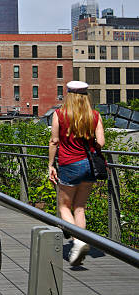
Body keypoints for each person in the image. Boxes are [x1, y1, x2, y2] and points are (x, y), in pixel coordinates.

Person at [48, 80, 105, 266]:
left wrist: (50, 164)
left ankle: (78, 242)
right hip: (89, 165)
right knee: (80, 208)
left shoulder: (60, 114)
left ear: (69, 95)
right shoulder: (94, 115)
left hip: (69, 163)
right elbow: (101, 142)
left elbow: (54, 141)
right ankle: (81, 240)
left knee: (64, 206)